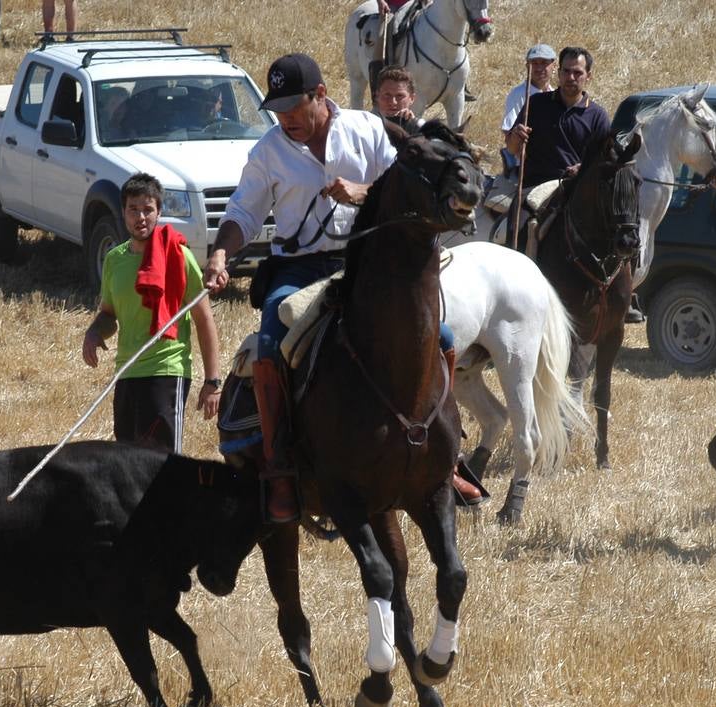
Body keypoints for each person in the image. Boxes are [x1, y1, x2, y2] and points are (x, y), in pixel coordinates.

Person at [202, 53, 479, 521]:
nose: (286, 118)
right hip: (297, 270)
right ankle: (282, 464)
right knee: (270, 342)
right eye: (279, 110)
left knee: (443, 337)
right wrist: (220, 253)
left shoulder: (367, 130)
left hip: (366, 263)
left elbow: (406, 188)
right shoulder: (268, 151)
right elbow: (243, 213)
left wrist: (363, 192)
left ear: (321, 96)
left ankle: (444, 456)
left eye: (294, 107)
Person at [81, 174, 221, 452]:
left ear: (159, 212)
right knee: (128, 469)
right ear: (123, 212)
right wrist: (94, 332)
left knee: (162, 468)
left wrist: (213, 382)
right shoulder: (113, 260)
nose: (141, 217)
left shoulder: (178, 256)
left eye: (148, 209)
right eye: (133, 209)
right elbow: (109, 314)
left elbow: (204, 319)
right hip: (127, 374)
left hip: (166, 371)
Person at [504, 46, 611, 189]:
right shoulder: (536, 103)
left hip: (576, 191)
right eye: (566, 71)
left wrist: (583, 168)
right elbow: (511, 149)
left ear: (588, 76)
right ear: (559, 72)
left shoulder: (597, 116)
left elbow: (605, 161)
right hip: (534, 189)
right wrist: (516, 136)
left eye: (577, 73)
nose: (571, 77)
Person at [500, 43, 556, 137]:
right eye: (534, 63)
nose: (539, 68)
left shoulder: (556, 95)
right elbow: (508, 131)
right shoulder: (518, 94)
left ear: (554, 66)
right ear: (527, 66)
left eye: (544, 63)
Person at [374, 65, 423, 134]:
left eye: (399, 96)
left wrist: (413, 126)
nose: (393, 102)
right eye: (387, 95)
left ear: (412, 98)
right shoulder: (364, 127)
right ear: (377, 96)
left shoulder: (423, 128)